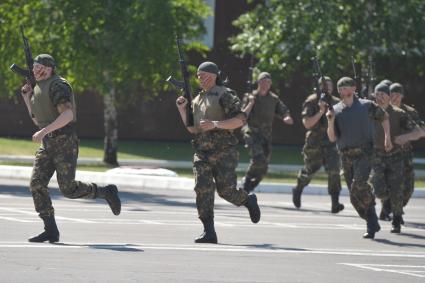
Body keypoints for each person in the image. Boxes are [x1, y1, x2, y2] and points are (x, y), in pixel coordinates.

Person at [20, 54, 121, 243]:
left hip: (64, 142)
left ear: (49, 69)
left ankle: (106, 192)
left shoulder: (58, 85)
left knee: (68, 189)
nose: (34, 69)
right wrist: (27, 98)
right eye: (34, 66)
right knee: (36, 184)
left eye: (39, 66)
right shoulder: (37, 88)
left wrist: (44, 131)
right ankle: (50, 230)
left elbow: (67, 115)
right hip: (48, 143)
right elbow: (37, 120)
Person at [175, 61, 260, 244]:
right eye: (198, 76)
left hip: (224, 151)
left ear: (214, 76)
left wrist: (216, 124)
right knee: (202, 189)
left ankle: (248, 200)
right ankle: (209, 232)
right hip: (201, 152)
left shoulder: (224, 94)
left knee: (226, 191)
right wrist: (183, 110)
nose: (201, 79)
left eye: (204, 75)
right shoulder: (197, 99)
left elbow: (240, 120)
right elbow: (193, 128)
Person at [326, 77, 391, 239]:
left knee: (359, 184)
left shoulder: (366, 105)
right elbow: (332, 138)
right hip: (346, 155)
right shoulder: (335, 109)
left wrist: (387, 138)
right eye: (340, 88)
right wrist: (330, 120)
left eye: (346, 87)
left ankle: (371, 221)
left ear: (354, 88)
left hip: (364, 152)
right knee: (354, 196)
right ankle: (371, 218)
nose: (342, 90)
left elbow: (384, 117)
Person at [371, 83, 419, 233]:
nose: (380, 98)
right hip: (377, 155)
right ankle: (387, 204)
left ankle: (396, 220)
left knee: (397, 188)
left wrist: (406, 136)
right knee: (377, 186)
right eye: (377, 95)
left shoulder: (399, 113)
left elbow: (418, 130)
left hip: (396, 156)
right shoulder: (369, 111)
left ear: (388, 96)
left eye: (383, 95)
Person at [292, 76, 344, 213]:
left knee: (334, 171)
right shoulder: (311, 102)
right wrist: (321, 111)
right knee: (309, 170)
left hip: (331, 143)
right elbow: (307, 124)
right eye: (324, 85)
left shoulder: (337, 103)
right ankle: (298, 189)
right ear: (318, 87)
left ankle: (335, 202)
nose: (327, 88)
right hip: (314, 143)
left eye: (329, 85)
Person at [241, 72, 293, 193]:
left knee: (264, 166)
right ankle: (247, 179)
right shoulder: (250, 96)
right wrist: (250, 103)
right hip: (251, 132)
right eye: (263, 82)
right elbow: (242, 115)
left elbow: (283, 109)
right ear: (258, 83)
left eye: (268, 82)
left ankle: (251, 185)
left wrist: (286, 116)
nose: (265, 84)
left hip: (266, 135)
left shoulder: (273, 99)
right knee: (258, 158)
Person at [390, 83, 425, 219]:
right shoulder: (383, 109)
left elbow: (422, 131)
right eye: (392, 94)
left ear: (402, 96)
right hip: (385, 154)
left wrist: (406, 137)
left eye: (398, 95)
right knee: (387, 183)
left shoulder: (409, 112)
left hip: (404, 154)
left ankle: (398, 207)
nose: (395, 97)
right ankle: (389, 207)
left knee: (408, 187)